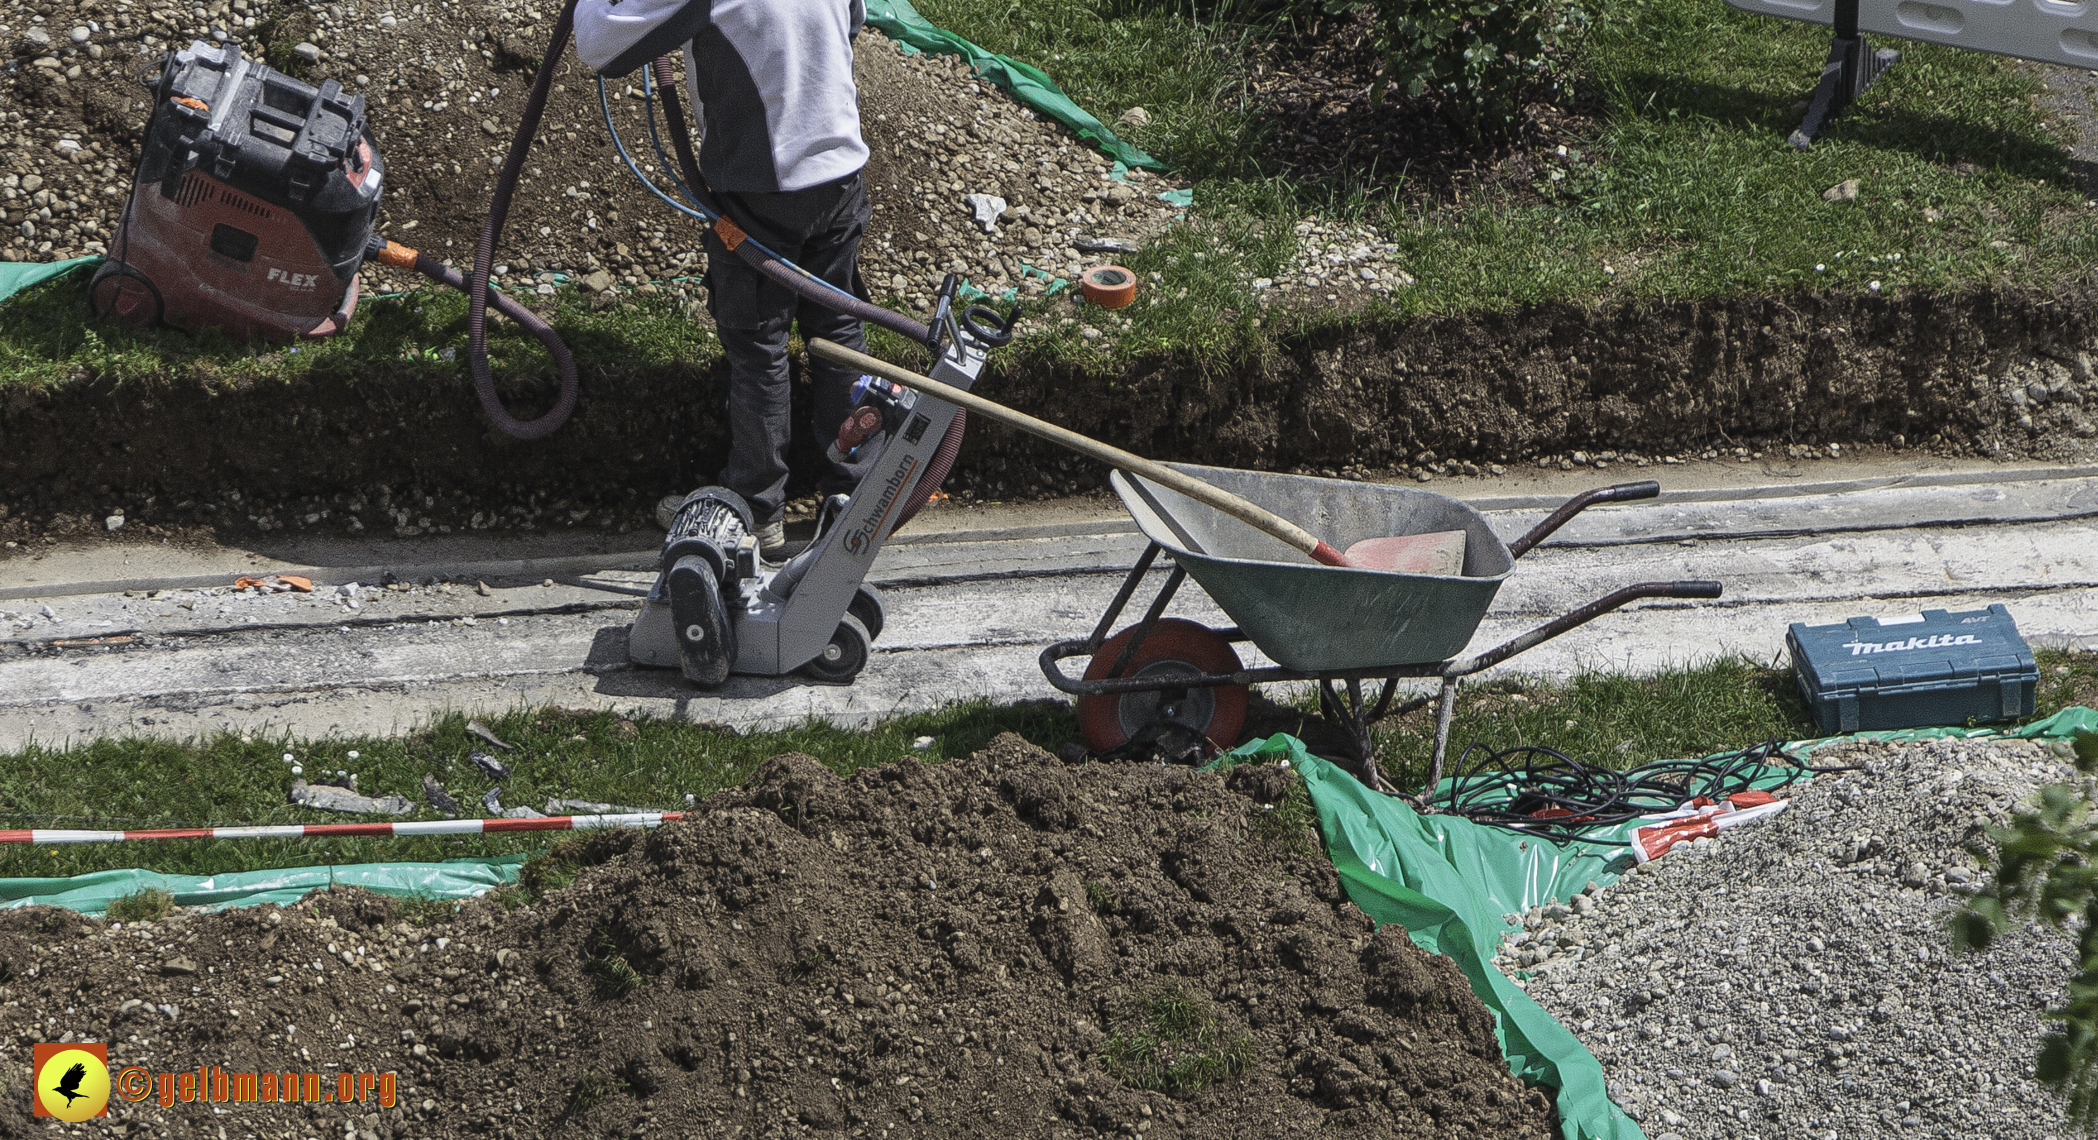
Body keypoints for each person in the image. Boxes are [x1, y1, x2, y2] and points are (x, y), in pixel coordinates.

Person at [574, 0, 875, 560]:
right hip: (841, 172)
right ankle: (856, 496)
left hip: (763, 186)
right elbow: (853, 22)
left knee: (759, 345)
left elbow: (600, 45)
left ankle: (757, 509)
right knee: (838, 330)